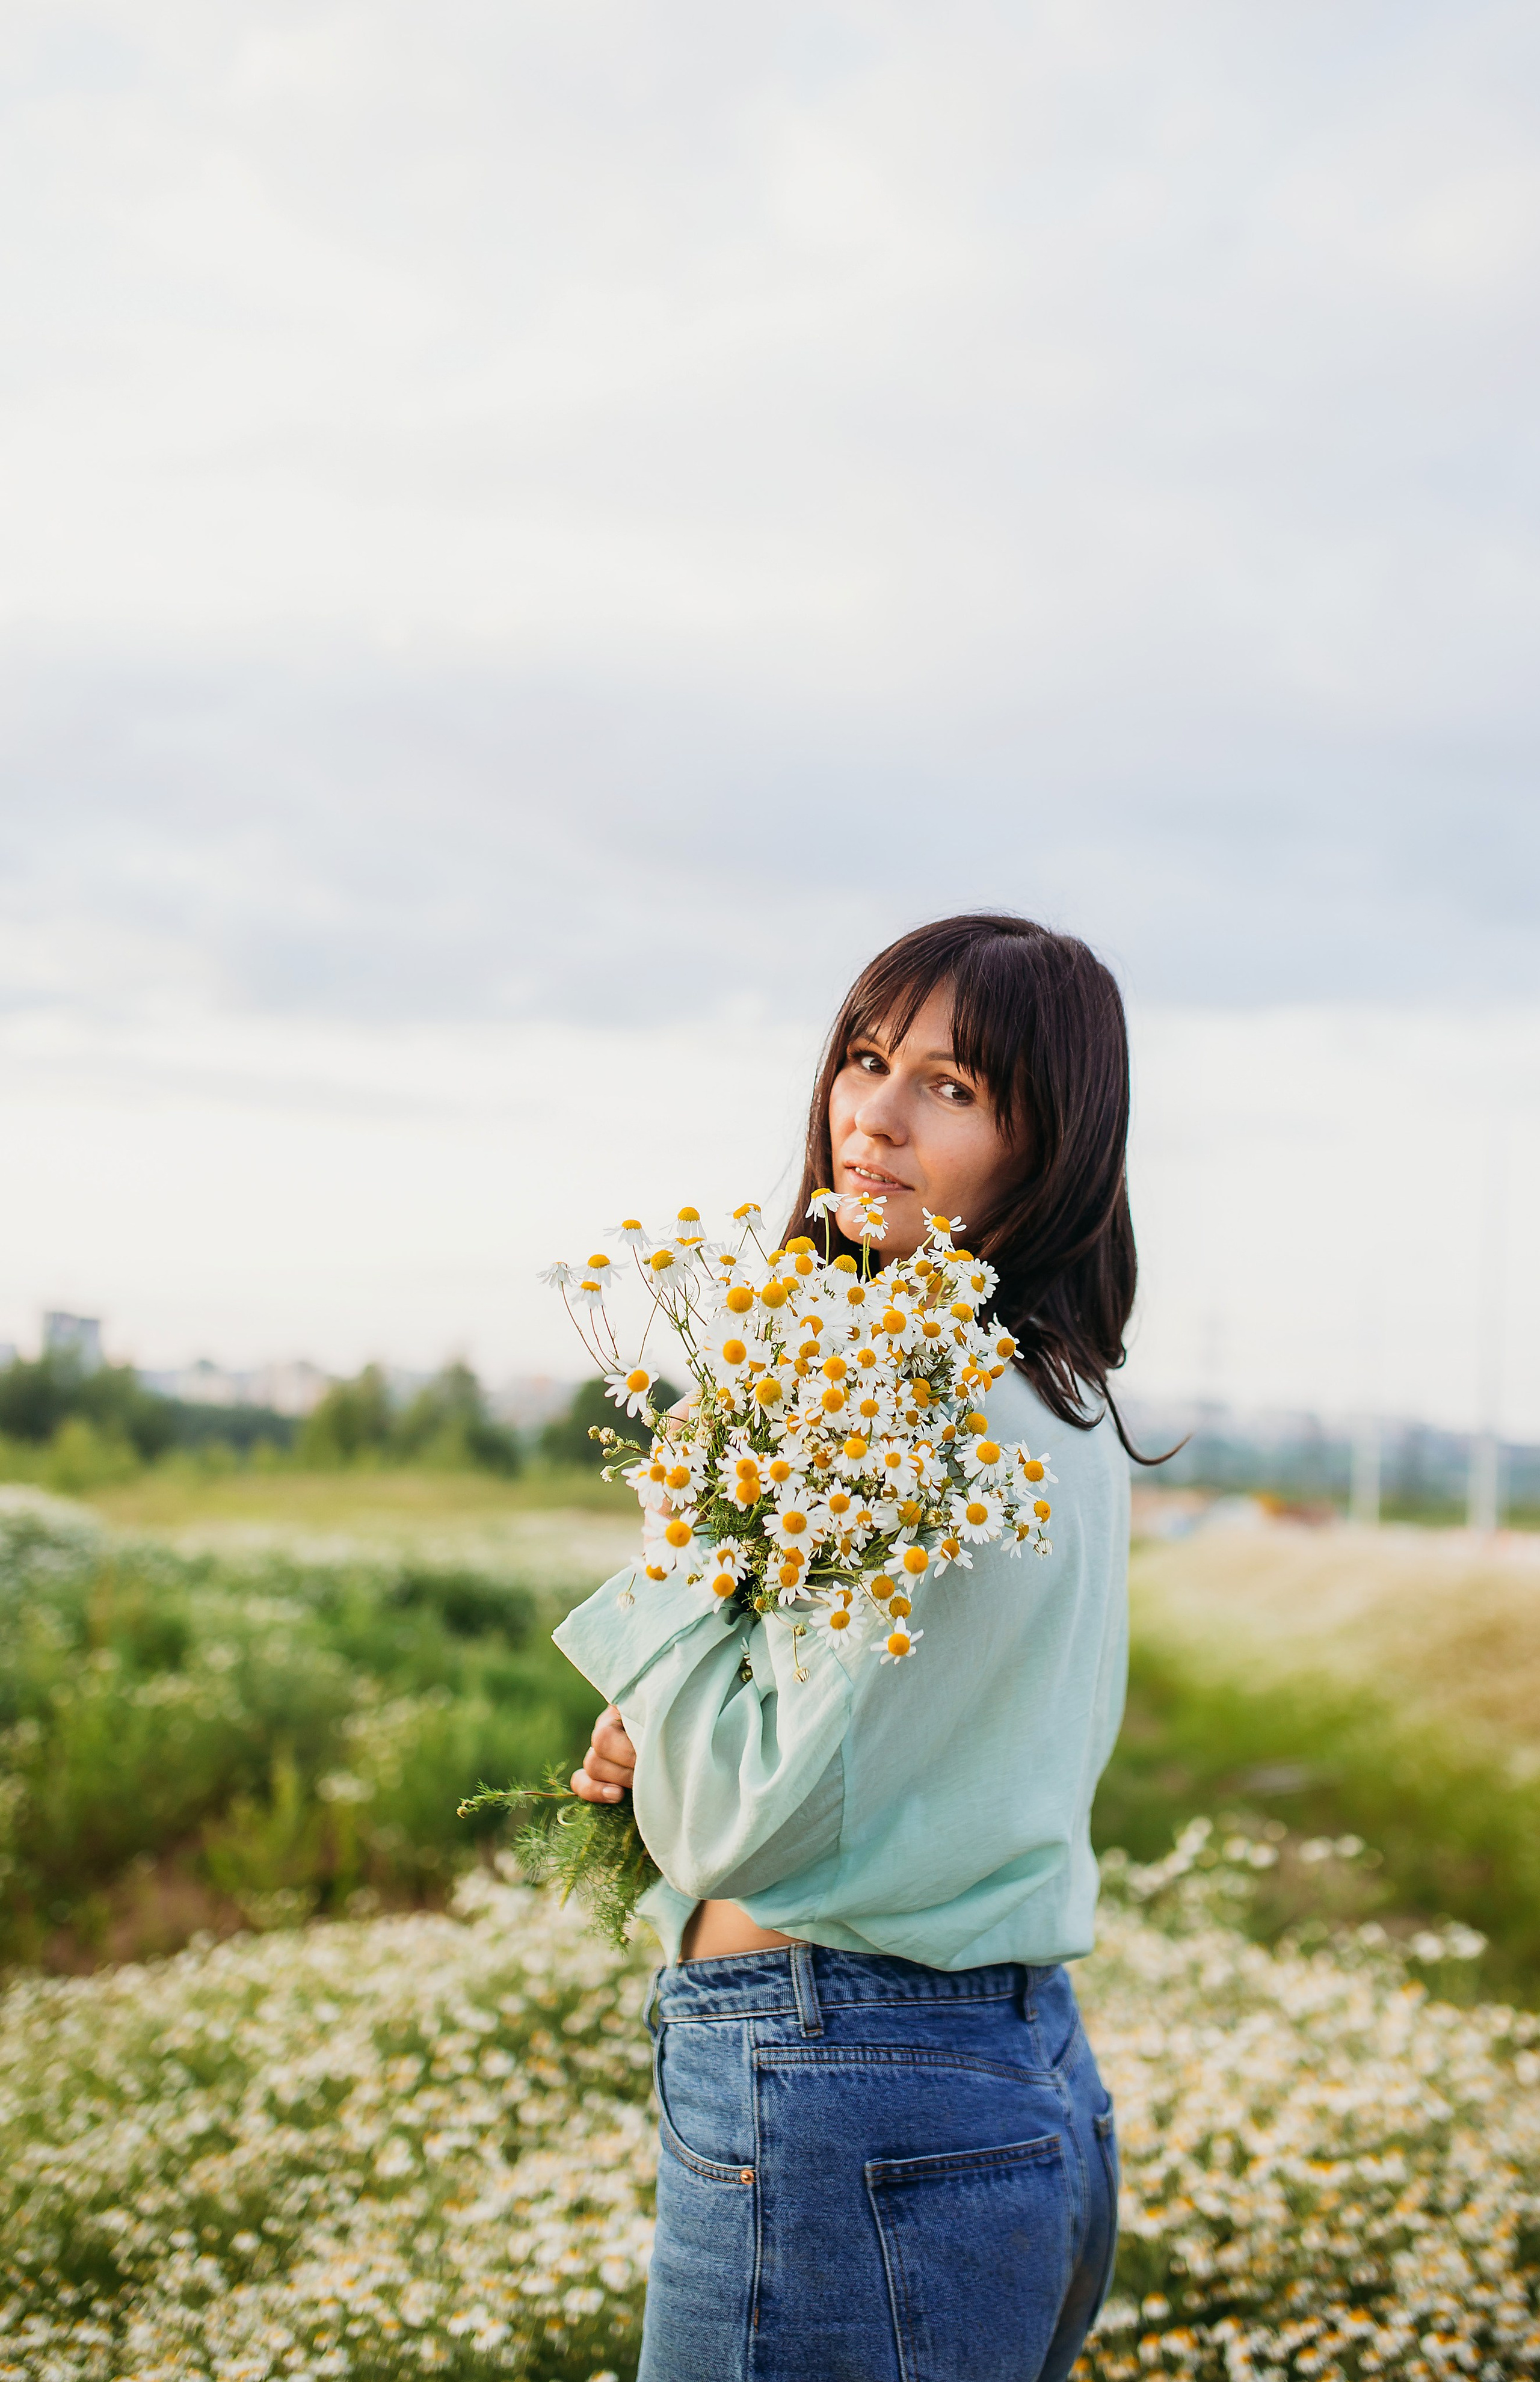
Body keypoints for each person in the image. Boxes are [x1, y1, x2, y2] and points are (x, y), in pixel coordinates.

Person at [553, 912, 1142, 2382]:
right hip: (1011, 2074)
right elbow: (881, 1735)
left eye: (948, 1088)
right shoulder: (1051, 1398)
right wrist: (692, 1698)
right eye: (866, 1060)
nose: (869, 1117)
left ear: (1046, 1142)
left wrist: (669, 1612)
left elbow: (738, 1823)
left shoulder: (905, 1405)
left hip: (838, 2084)